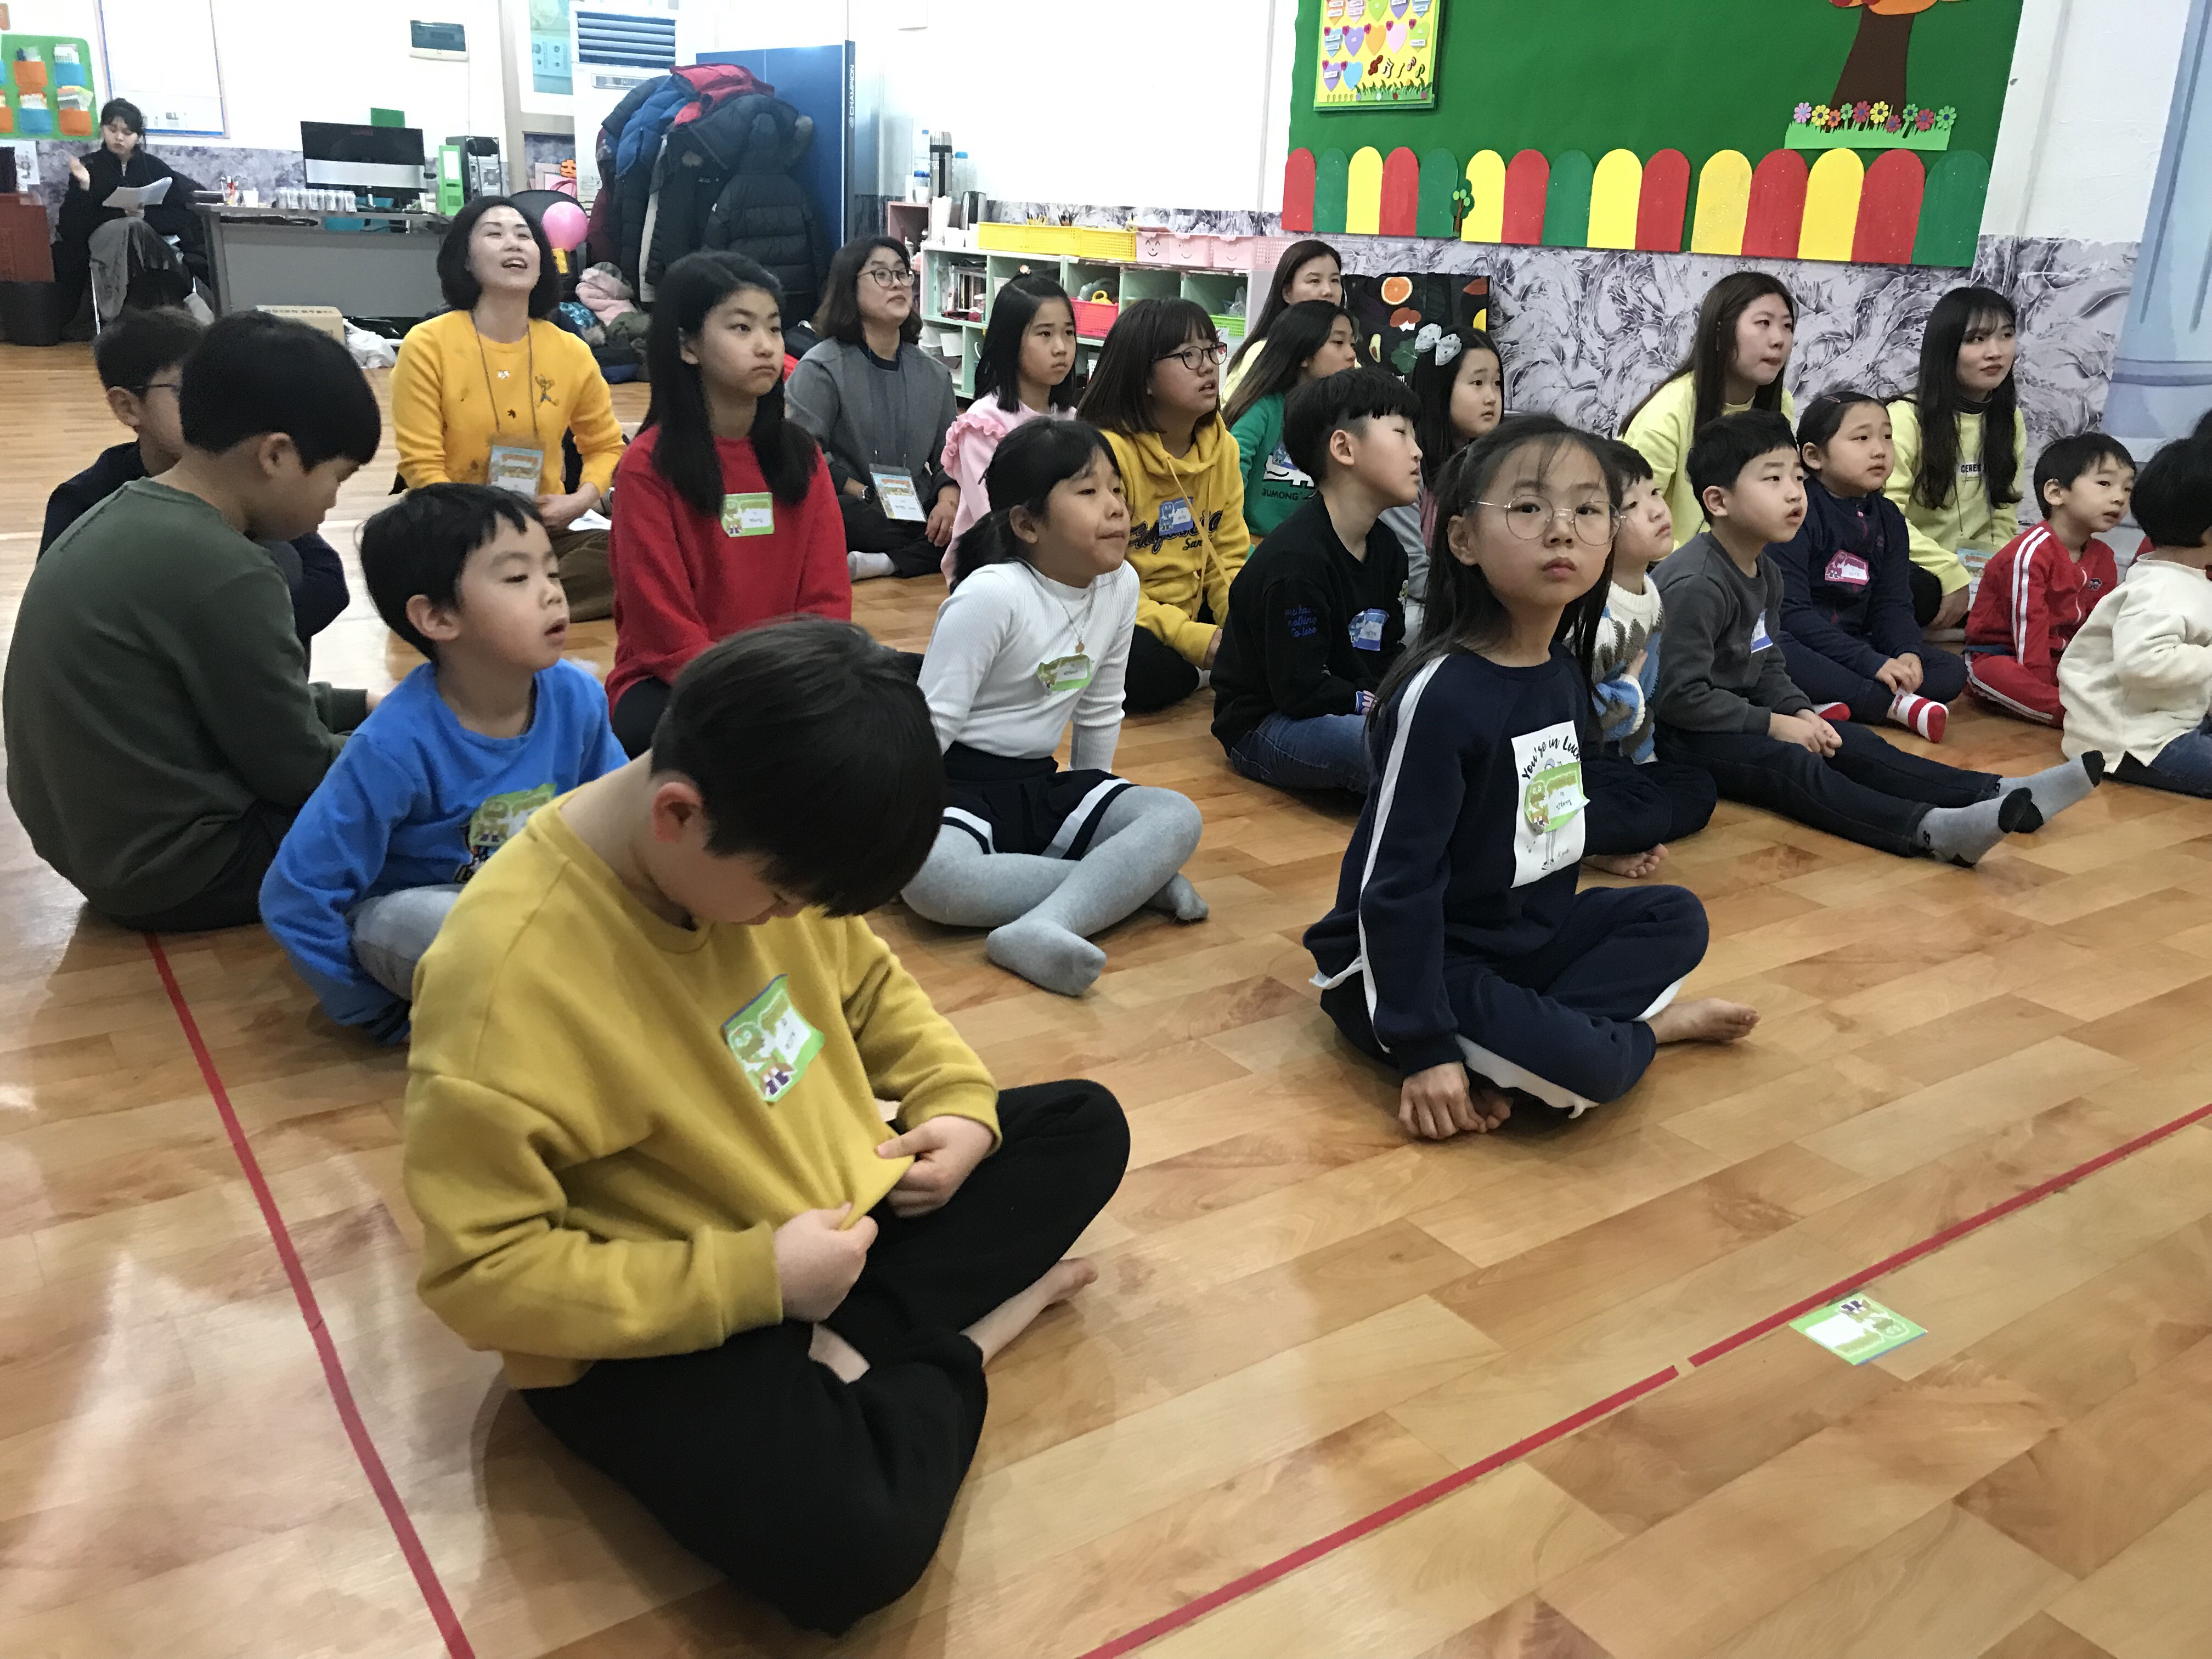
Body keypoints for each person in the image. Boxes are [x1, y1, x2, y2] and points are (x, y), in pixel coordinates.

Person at [400, 618, 1128, 1635]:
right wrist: (756, 1280)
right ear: (678, 813)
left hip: (827, 1226)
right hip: (663, 1309)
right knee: (852, 1545)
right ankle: (964, 1340)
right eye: (782, 898)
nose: (793, 919)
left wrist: (955, 1103)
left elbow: (871, 985)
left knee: (1082, 1125)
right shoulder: (503, 975)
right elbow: (483, 1278)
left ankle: (848, 1353)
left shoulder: (759, 837)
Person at [1305, 415, 1759, 1141]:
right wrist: (1425, 1049)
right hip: (1413, 961)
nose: (1562, 531)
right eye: (1528, 507)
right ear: (1462, 540)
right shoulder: (1441, 695)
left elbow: (1539, 810)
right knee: (1590, 1068)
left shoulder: (1561, 673)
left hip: (1518, 939)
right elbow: (1395, 885)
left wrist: (1594, 852)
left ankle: (1517, 1049)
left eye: (1588, 510)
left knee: (1675, 916)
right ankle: (1640, 1034)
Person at [3, 312, 381, 932]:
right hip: (185, 870)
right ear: (276, 455)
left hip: (96, 851)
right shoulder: (231, 568)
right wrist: (412, 746)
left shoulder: (126, 510)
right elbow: (297, 770)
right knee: (427, 809)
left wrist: (358, 706)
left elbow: (234, 702)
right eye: (336, 479)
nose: (332, 502)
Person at [1653, 412, 2102, 865]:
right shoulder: (1698, 583)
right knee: (1792, 764)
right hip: (1683, 735)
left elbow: (1767, 660)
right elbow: (1678, 699)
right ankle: (1931, 830)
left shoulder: (1765, 569)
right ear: (1718, 501)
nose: (1794, 493)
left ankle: (2001, 792)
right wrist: (1775, 725)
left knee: (1849, 741)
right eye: (1773, 479)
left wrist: (1800, 711)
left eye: (1797, 478)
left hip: (1737, 714)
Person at [260, 487, 627, 1040]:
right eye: (517, 578)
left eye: (551, 572)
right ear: (435, 617)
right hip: (436, 919)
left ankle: (555, 1004)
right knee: (447, 929)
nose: (552, 593)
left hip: (533, 901)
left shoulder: (577, 695)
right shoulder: (394, 745)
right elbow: (296, 894)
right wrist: (370, 1009)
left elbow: (618, 817)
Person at [903, 421, 1206, 995]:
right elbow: (931, 725)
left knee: (1177, 816)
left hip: (1040, 784)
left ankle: (1046, 923)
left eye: (1116, 489)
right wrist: (891, 825)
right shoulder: (992, 595)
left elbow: (1101, 707)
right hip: (956, 787)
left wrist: (1094, 806)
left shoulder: (1120, 585)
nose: (1115, 507)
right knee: (934, 881)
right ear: (1027, 524)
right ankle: (1124, 888)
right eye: (1088, 491)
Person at [605, 250, 848, 757]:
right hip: (679, 683)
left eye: (774, 328)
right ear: (687, 346)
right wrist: (753, 695)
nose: (766, 345)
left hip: (788, 674)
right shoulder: (647, 467)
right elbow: (664, 630)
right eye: (741, 328)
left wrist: (804, 677)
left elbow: (827, 599)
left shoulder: (800, 455)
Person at [40, 306, 349, 658]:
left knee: (284, 559)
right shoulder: (84, 501)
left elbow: (327, 579)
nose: (210, 405)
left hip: (240, 664)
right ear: (128, 407)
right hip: (142, 672)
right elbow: (62, 621)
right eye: (186, 389)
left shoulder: (241, 470)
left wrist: (251, 631)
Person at [391, 196, 626, 619]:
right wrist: (482, 525)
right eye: (494, 234)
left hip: (540, 531)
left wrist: (579, 501)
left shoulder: (570, 351)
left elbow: (606, 446)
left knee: (627, 555)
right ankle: (529, 599)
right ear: (466, 259)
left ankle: (483, 605)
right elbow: (421, 465)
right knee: (413, 558)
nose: (514, 243)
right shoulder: (427, 345)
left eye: (524, 236)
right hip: (454, 533)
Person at [1211, 367, 1420, 795]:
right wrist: (1373, 706)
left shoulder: (1388, 552)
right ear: (1343, 448)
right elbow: (1299, 690)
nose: (1418, 452)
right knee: (1392, 750)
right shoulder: (1296, 561)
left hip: (1347, 706)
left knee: (1442, 728)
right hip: (1270, 722)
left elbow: (1387, 653)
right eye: (1401, 433)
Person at [1077, 298, 1251, 713]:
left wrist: (1242, 625)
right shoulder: (1108, 455)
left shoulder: (1223, 447)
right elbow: (1102, 581)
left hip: (1189, 606)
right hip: (1120, 611)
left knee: (1269, 611)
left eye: (1212, 350)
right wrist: (1194, 639)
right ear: (1145, 378)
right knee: (1144, 672)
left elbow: (1228, 554)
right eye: (1189, 355)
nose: (1208, 367)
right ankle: (1202, 672)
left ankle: (1210, 666)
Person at [1775, 390, 1967, 741]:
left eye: (1887, 437)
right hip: (1806, 643)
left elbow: (1892, 603)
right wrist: (1870, 663)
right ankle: (1892, 706)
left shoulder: (1889, 517)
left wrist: (1905, 651)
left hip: (1856, 643)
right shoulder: (1798, 512)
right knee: (1776, 652)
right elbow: (1791, 614)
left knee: (1950, 670)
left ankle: (1828, 702)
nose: (1880, 450)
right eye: (1862, 439)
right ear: (1814, 457)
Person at [1582, 439, 1718, 878]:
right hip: (1581, 764)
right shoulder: (1594, 615)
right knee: (1642, 810)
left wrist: (1645, 765)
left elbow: (1648, 694)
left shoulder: (1651, 593)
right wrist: (1627, 695)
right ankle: (1587, 844)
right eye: (1634, 505)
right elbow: (1583, 718)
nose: (1658, 510)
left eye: (1655, 492)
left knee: (1698, 789)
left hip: (1624, 761)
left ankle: (1613, 830)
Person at [788, 237, 960, 582]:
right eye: (881, 274)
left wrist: (948, 504)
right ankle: (905, 556)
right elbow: (802, 453)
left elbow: (950, 457)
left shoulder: (934, 374)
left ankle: (882, 563)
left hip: (913, 507)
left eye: (902, 273)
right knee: (833, 515)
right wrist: (864, 494)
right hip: (855, 502)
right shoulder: (822, 367)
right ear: (850, 288)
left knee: (973, 525)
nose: (897, 284)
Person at [2058, 436, 2212, 795]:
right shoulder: (2160, 589)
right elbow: (2141, 663)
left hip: (2171, 722)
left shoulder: (2186, 579)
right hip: (2131, 743)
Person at [1965, 432, 2135, 727]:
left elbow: (2097, 627)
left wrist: (2086, 673)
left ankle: (2088, 710)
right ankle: (2075, 715)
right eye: (2105, 484)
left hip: (2062, 658)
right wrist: (2045, 683)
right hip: (2006, 655)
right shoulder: (2031, 552)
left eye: (2128, 488)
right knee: (1994, 675)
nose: (2120, 498)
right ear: (2056, 493)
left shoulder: (2104, 557)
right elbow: (2028, 627)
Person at [1884, 286, 2029, 629]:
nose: (1995, 352)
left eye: (2006, 335)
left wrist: (1992, 576)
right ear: (1946, 348)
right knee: (1916, 589)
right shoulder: (1904, 418)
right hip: (1918, 566)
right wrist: (1948, 570)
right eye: (1977, 339)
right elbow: (1886, 519)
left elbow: (2003, 516)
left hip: (1971, 571)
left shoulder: (2009, 420)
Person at [1623, 273, 1799, 549]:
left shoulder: (1782, 404)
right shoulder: (1669, 410)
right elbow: (1627, 515)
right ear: (1720, 334)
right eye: (1763, 323)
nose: (1779, 339)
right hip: (1669, 567)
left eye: (1787, 326)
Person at [938, 274, 1079, 572]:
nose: (1061, 347)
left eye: (1069, 333)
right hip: (993, 565)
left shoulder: (1071, 419)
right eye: (1045, 334)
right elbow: (992, 517)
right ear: (1011, 342)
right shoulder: (983, 424)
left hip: (1058, 557)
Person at [50, 98, 206, 325]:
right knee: (131, 226)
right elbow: (71, 226)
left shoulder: (155, 167)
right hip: (104, 241)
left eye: (127, 132)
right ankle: (183, 298)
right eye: (112, 130)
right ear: (103, 129)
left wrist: (145, 216)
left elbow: (181, 216)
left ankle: (129, 315)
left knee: (136, 227)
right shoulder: (89, 166)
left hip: (148, 239)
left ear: (138, 135)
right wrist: (84, 187)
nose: (119, 137)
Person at [1393, 325, 1505, 636]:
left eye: (1497, 384)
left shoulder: (1498, 467)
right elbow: (1411, 570)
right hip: (1420, 605)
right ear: (1440, 389)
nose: (1491, 398)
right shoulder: (1408, 465)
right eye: (1477, 383)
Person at [1223, 300, 1360, 539]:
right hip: (1254, 545)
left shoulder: (1345, 418)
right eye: (1338, 343)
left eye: (1352, 344)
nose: (1351, 355)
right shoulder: (1263, 410)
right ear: (1304, 355)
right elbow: (1228, 483)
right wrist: (1244, 550)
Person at [1223, 237, 1346, 400]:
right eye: (1315, 281)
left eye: (1335, 280)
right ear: (1287, 293)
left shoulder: (1346, 351)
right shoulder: (1263, 353)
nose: (1328, 291)